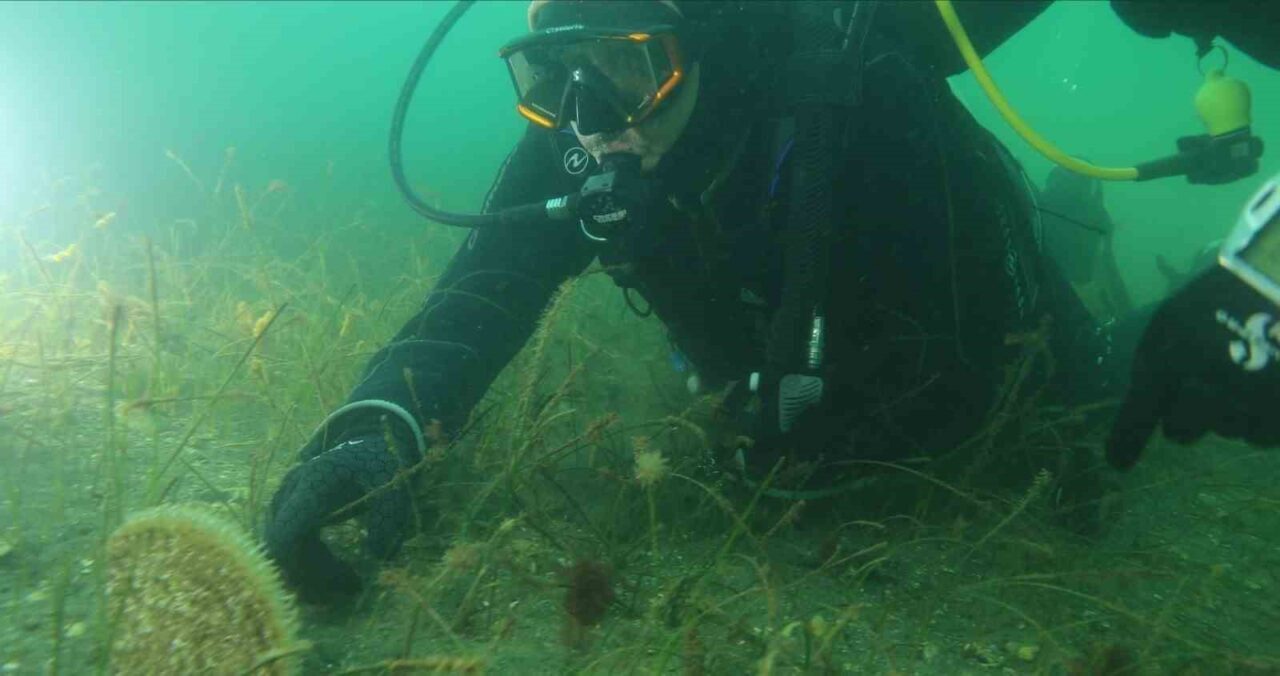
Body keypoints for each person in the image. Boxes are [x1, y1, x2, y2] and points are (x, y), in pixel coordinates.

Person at [264, 0, 1280, 602]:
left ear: (697, 42)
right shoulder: (588, 132)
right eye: (555, 73)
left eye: (628, 64)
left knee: (1099, 390)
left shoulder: (851, 99)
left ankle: (1173, 262)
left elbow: (959, 376)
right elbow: (479, 295)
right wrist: (376, 430)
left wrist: (798, 440)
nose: (593, 115)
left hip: (991, 330)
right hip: (795, 357)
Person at [1038, 165, 1133, 321]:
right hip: (1059, 297)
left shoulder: (1098, 217)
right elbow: (1108, 268)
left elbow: (1107, 267)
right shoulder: (1097, 216)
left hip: (1054, 298)